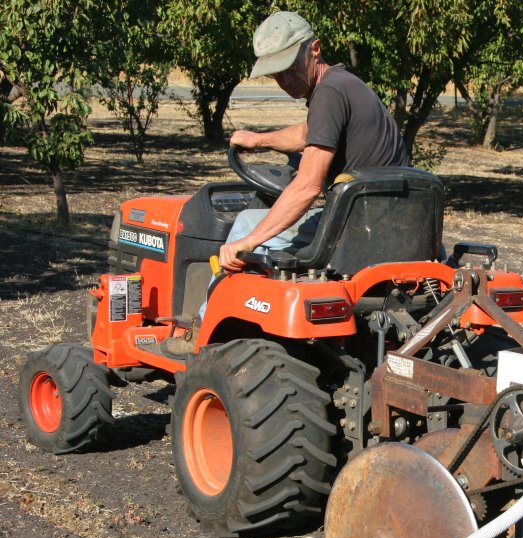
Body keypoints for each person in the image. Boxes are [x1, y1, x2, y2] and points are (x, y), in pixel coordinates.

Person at [164, 11, 408, 356]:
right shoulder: (346, 85)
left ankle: (203, 333)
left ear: (315, 49)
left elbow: (307, 186)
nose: (286, 80)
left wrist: (246, 243)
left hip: (357, 232)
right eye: (276, 74)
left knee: (247, 223)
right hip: (388, 224)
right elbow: (310, 134)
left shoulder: (328, 93)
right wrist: (258, 140)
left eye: (290, 67)